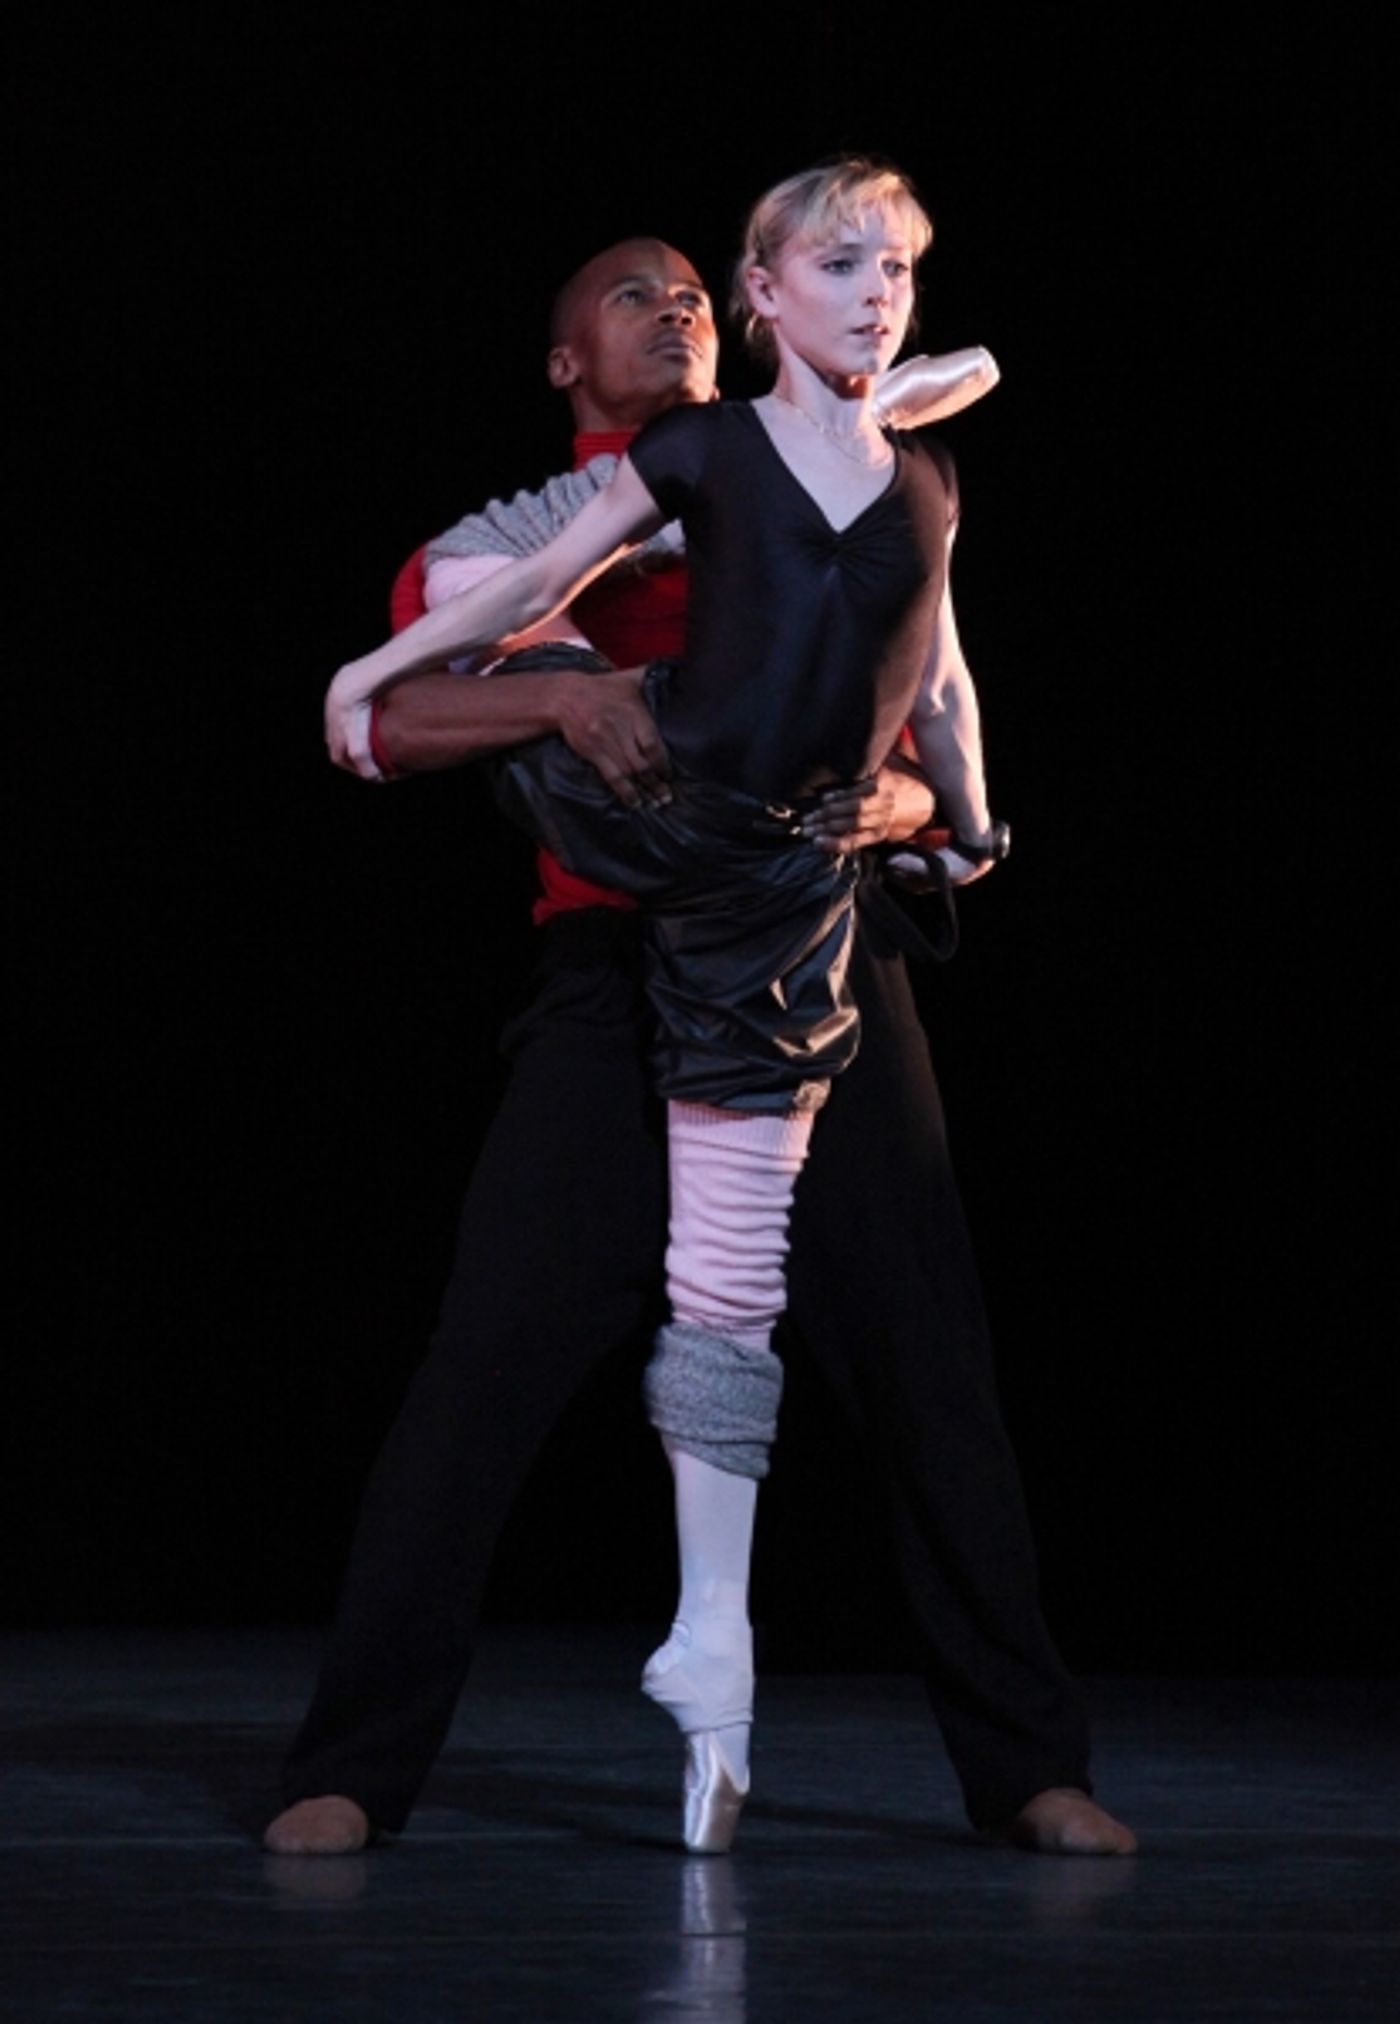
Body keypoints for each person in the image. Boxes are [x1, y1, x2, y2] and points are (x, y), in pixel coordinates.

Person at [272, 203, 1134, 1859]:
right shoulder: (505, 538)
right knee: (489, 1367)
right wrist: (558, 687)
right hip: (616, 976)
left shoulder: (818, 494)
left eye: (686, 295)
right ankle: (350, 1768)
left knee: (927, 1360)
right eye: (625, 297)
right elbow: (389, 708)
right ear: (562, 361)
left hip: (826, 958)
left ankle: (1031, 1765)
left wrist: (902, 804)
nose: (666, 313)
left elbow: (938, 767)